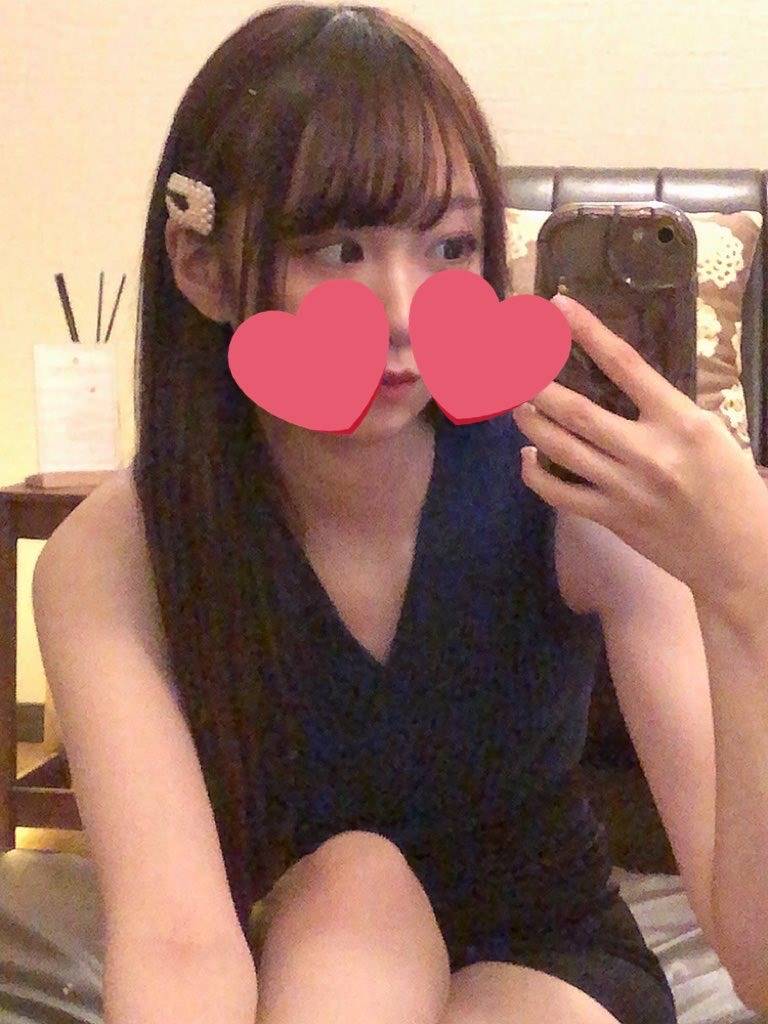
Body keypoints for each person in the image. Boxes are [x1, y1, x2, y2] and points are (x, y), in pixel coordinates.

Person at [32, 4, 768, 1024]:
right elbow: (178, 940)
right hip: (310, 958)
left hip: (548, 960)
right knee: (357, 883)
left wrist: (745, 583)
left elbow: (757, 960)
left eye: (450, 244)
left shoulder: (571, 488)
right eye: (338, 249)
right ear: (201, 267)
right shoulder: (118, 555)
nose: (402, 308)